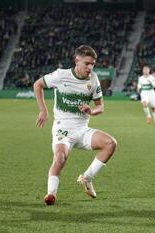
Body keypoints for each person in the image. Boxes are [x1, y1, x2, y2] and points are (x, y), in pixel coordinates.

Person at [33, 45, 117, 205]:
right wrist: (43, 110)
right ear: (76, 60)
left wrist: (91, 111)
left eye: (93, 64)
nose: (90, 67)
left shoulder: (93, 79)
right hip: (63, 128)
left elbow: (101, 106)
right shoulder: (61, 75)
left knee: (110, 144)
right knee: (60, 157)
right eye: (87, 63)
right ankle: (51, 194)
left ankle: (87, 178)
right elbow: (38, 85)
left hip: (83, 129)